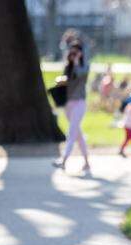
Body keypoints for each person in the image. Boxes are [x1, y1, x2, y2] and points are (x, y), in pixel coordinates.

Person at [53, 41, 91, 171]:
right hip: (68, 104)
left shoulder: (84, 66)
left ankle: (64, 160)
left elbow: (81, 76)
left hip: (79, 103)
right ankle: (87, 162)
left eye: (76, 52)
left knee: (72, 131)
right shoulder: (67, 66)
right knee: (78, 134)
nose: (73, 54)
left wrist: (76, 62)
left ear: (81, 53)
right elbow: (66, 81)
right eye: (72, 51)